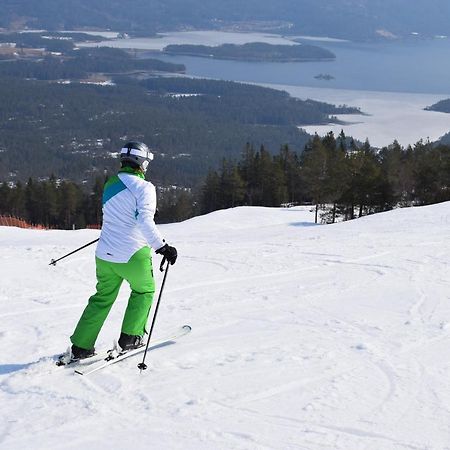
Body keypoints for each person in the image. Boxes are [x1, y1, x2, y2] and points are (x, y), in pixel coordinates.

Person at [68, 141, 177, 361]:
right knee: (143, 291)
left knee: (102, 298)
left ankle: (81, 347)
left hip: (104, 255)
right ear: (141, 162)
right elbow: (145, 220)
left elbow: (115, 216)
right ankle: (131, 338)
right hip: (132, 254)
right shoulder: (145, 188)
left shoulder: (110, 183)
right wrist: (161, 247)